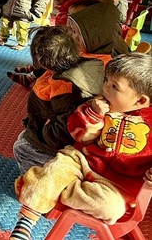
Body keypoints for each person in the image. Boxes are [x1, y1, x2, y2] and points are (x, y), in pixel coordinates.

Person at [10, 53, 152, 240]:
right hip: (80, 160)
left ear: (140, 100)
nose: (105, 88)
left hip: (118, 185)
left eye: (114, 86)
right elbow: (79, 134)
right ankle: (25, 222)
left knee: (111, 209)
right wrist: (93, 115)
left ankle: (57, 190)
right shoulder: (96, 104)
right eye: (106, 80)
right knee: (55, 169)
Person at [11, 26, 110, 175]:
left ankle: (38, 183)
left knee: (21, 147)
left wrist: (38, 133)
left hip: (68, 144)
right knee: (24, 137)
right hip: (71, 134)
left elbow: (65, 131)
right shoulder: (89, 64)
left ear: (40, 61)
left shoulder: (64, 87)